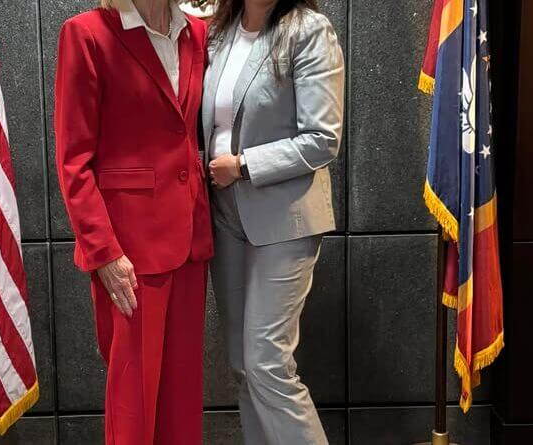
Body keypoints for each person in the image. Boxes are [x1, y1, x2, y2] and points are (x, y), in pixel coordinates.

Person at [54, 0, 213, 443]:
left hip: (190, 240)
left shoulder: (196, 33)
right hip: (129, 250)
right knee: (134, 403)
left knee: (182, 399)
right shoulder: (86, 34)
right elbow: (73, 161)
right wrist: (103, 252)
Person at [203, 0, 345, 443]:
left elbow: (323, 138)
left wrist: (244, 165)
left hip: (285, 217)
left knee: (267, 363)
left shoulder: (309, 30)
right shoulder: (219, 34)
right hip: (225, 215)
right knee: (243, 367)